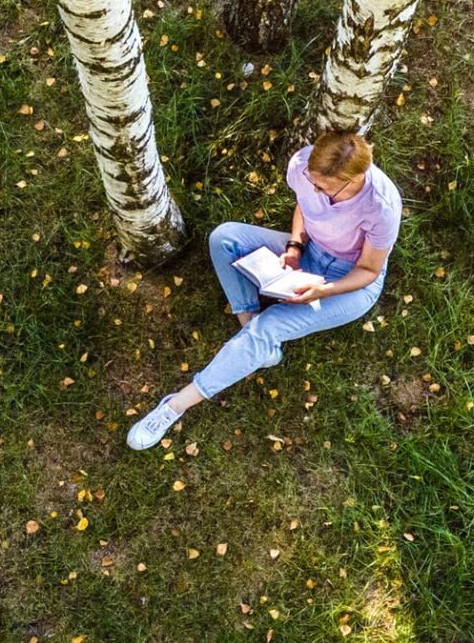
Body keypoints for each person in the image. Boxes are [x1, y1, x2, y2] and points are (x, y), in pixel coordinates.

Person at [126, 130, 402, 450]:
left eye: (322, 187)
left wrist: (323, 291)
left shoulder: (381, 205)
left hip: (350, 282)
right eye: (312, 181)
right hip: (311, 253)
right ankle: (252, 333)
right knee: (224, 238)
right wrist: (295, 246)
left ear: (352, 179)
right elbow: (305, 207)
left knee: (269, 328)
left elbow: (368, 270)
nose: (313, 188)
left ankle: (174, 406)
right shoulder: (303, 164)